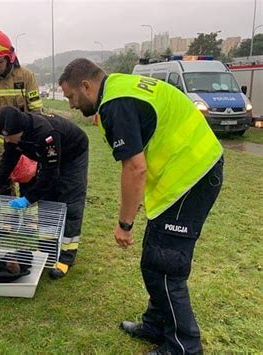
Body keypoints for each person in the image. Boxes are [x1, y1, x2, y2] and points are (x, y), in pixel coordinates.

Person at [59, 58, 224, 354]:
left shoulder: (115, 103)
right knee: (154, 257)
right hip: (185, 173)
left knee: (165, 264)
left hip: (192, 176)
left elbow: (135, 168)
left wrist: (124, 224)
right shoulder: (120, 86)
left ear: (85, 86)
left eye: (71, 96)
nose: (71, 104)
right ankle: (156, 323)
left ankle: (183, 345)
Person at [0, 106, 89, 279]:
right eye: (4, 136)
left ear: (21, 131)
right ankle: (47, 250)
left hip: (72, 155)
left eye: (9, 136)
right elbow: (9, 158)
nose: (6, 139)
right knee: (47, 202)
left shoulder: (46, 135)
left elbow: (51, 175)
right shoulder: (14, 135)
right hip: (48, 159)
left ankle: (66, 257)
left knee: (70, 203)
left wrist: (28, 199)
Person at [0, 30, 43, 196]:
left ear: (10, 57)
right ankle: (9, 221)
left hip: (26, 141)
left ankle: (26, 220)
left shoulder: (26, 76)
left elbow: (36, 110)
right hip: (0, 142)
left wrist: (37, 139)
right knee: (3, 184)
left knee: (27, 180)